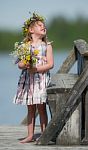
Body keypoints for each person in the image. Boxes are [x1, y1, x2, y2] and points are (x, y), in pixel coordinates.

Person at [13, 12, 54, 143]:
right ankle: (30, 135)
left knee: (41, 108)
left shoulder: (47, 45)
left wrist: (36, 69)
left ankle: (44, 134)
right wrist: (24, 64)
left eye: (44, 25)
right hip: (28, 82)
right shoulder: (24, 46)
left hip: (41, 80)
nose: (44, 27)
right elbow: (19, 64)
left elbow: (50, 64)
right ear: (31, 30)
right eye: (40, 25)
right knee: (30, 108)